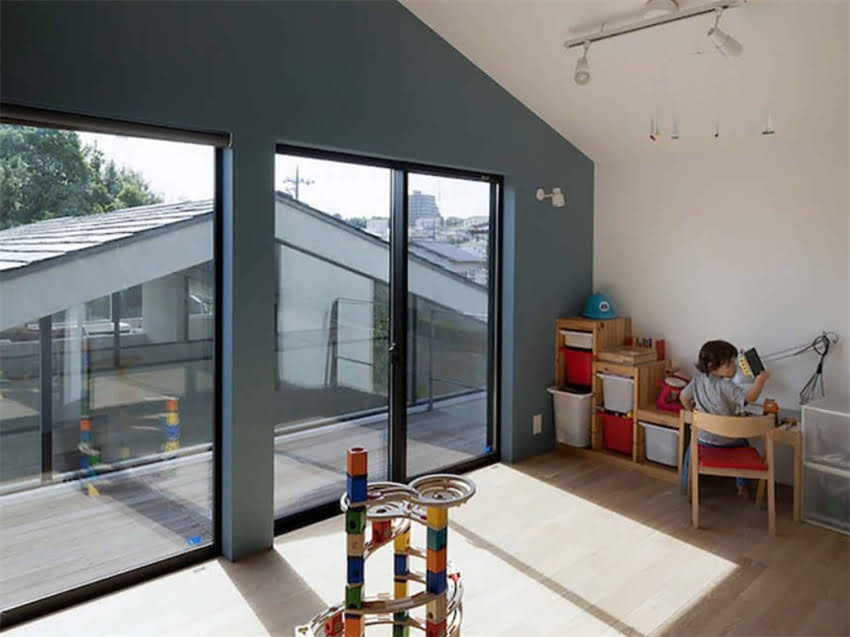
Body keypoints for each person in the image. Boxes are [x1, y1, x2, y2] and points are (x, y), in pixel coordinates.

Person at [680, 339, 770, 497]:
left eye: (734, 363)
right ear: (711, 366)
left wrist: (694, 413)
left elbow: (684, 397)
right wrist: (760, 381)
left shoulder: (697, 380)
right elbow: (749, 397)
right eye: (730, 364)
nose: (735, 367)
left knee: (690, 453)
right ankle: (742, 486)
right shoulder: (726, 386)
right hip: (728, 440)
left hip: (703, 438)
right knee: (744, 445)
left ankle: (687, 486)